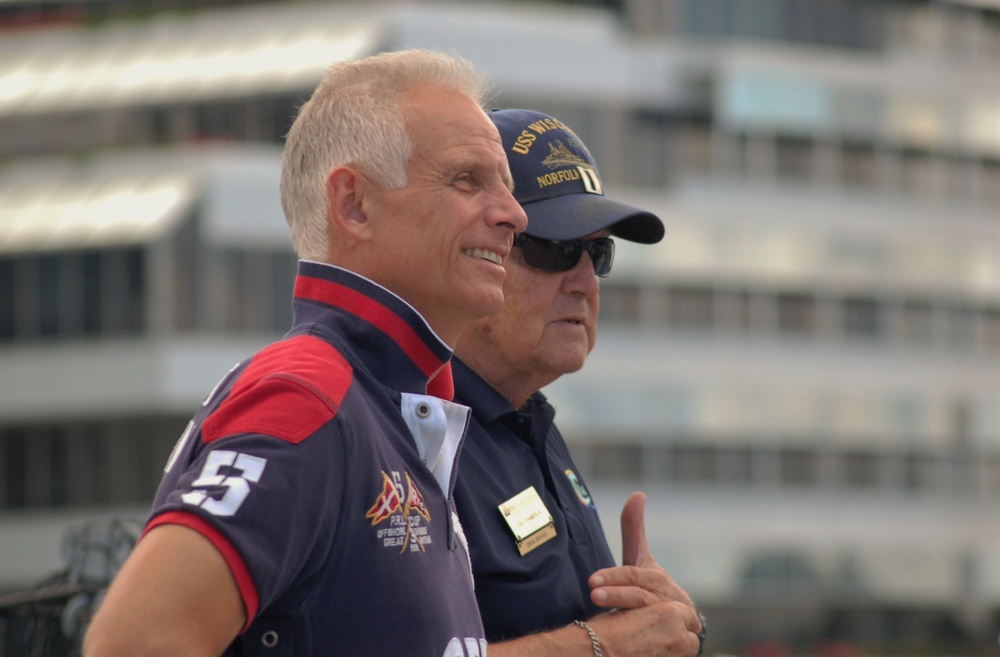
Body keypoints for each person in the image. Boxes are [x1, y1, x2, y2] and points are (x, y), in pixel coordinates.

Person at [82, 50, 527, 657]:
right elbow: (135, 642)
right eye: (467, 179)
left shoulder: (377, 402)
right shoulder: (310, 394)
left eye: (504, 185)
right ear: (354, 205)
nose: (514, 215)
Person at [451, 109, 706, 657]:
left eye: (598, 253)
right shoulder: (411, 438)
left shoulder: (529, 422)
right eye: (555, 249)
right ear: (477, 253)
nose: (586, 281)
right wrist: (602, 646)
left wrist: (668, 626)